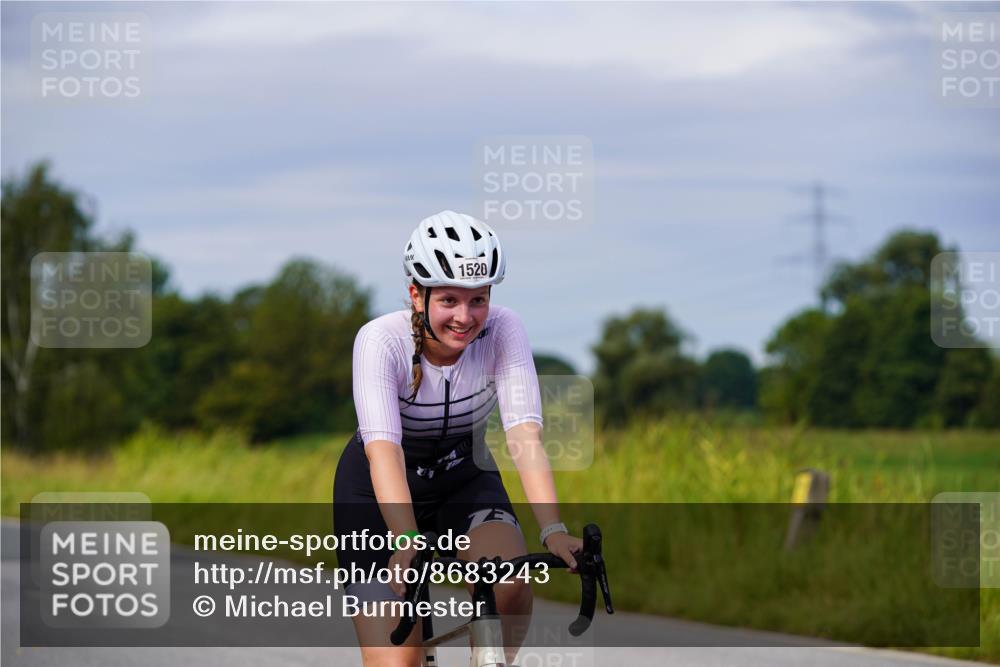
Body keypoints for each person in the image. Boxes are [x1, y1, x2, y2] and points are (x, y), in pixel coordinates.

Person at [333, 210, 581, 667]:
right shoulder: (379, 342)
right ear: (416, 294)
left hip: (461, 478)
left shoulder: (504, 329)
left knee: (507, 583)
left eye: (478, 299)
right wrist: (406, 537)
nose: (465, 318)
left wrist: (553, 529)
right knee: (397, 662)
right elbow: (383, 452)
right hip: (375, 492)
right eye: (449, 299)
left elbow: (524, 434)